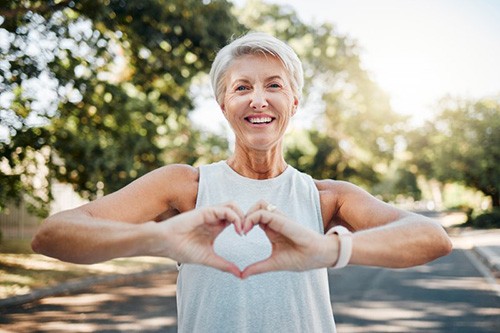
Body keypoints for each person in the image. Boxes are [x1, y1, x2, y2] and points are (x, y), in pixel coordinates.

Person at [31, 32, 452, 332]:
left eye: (273, 85)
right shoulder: (185, 187)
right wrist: (156, 240)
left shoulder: (326, 197)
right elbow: (52, 235)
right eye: (242, 87)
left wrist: (327, 248)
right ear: (223, 105)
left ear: (293, 102)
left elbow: (431, 237)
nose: (258, 99)